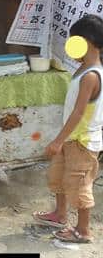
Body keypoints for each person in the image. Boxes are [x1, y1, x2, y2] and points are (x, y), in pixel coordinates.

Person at [33, 14, 103, 243]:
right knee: (58, 176)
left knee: (79, 184)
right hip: (71, 138)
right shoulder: (83, 68)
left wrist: (57, 141)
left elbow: (79, 112)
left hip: (82, 142)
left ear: (89, 42)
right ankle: (60, 214)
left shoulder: (92, 75)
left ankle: (83, 231)